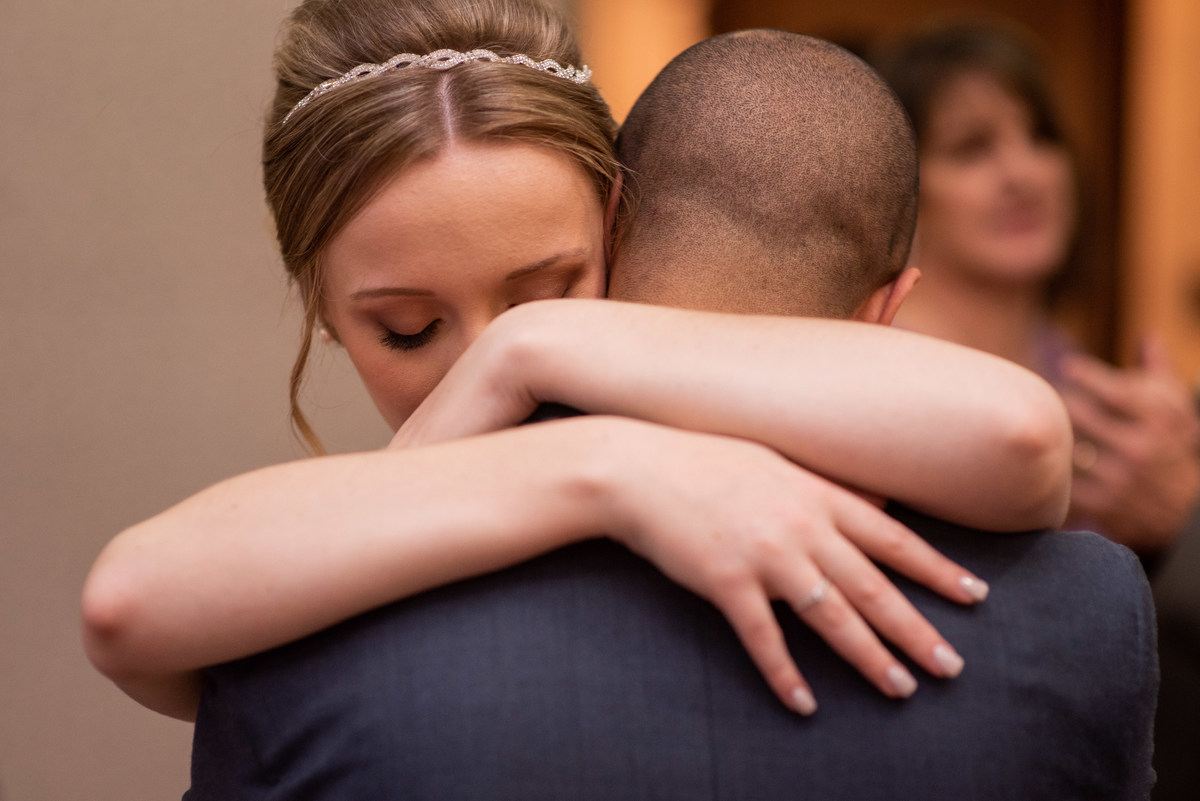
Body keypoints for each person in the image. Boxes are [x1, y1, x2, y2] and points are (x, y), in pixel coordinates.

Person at [186, 28, 1157, 800]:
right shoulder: (1088, 615)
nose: (479, 363)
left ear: (615, 225)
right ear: (888, 306)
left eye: (542, 297)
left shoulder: (300, 640)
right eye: (407, 327)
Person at [873, 19, 1198, 797]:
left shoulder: (1119, 401)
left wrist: (1181, 522)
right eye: (973, 147)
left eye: (1041, 137)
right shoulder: (870, 386)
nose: (1023, 173)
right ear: (902, 190)